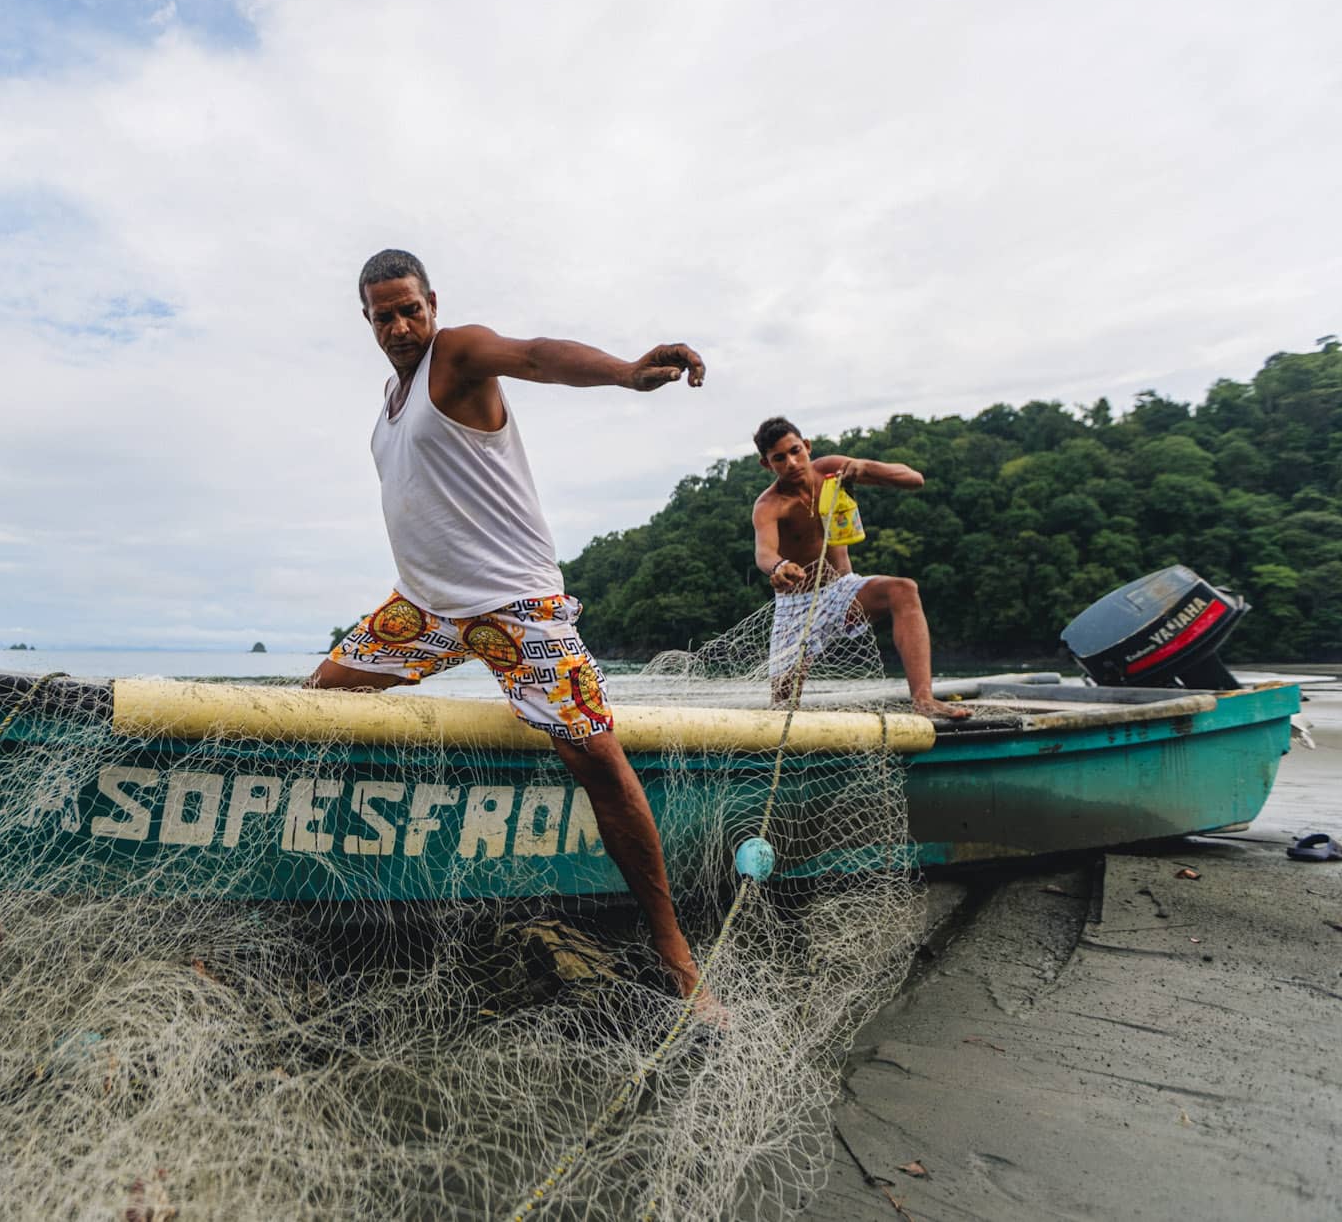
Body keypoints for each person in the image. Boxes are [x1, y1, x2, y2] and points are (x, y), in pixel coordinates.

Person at [308, 248, 719, 1009]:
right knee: (317, 697)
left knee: (597, 754)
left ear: (432, 302)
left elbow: (535, 355)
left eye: (410, 308)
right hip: (423, 610)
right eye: (383, 315)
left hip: (514, 609)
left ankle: (673, 950)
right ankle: (339, 872)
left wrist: (628, 371)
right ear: (365, 319)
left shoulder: (457, 353)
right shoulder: (389, 404)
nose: (401, 325)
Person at [749, 416, 972, 720]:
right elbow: (765, 552)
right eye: (779, 458)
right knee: (782, 709)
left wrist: (865, 468)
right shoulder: (769, 504)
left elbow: (913, 479)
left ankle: (924, 700)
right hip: (796, 606)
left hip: (842, 591)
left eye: (796, 451)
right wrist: (780, 566)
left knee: (903, 590)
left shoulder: (831, 470)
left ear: (807, 446)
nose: (791, 462)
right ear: (767, 464)